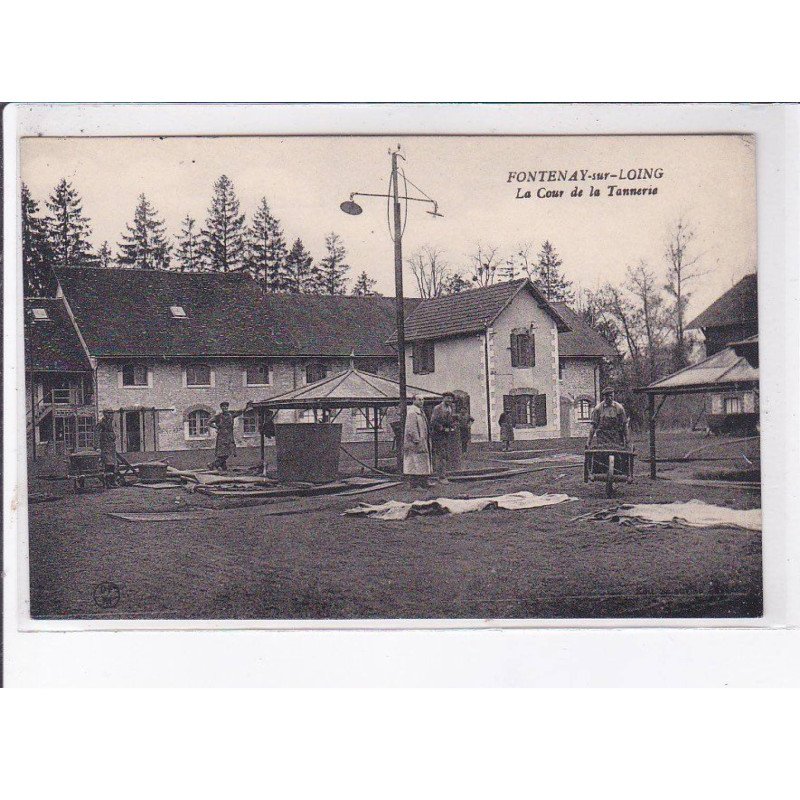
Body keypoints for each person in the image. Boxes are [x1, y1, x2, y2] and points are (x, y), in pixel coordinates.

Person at [208, 400, 252, 472]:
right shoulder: (218, 416)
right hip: (222, 436)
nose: (225, 408)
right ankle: (214, 465)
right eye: (223, 407)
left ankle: (221, 466)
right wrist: (217, 427)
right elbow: (209, 422)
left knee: (229, 451)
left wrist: (247, 407)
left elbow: (240, 412)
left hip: (229, 435)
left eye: (226, 406)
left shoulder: (231, 414)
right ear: (221, 408)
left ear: (227, 407)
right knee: (223, 452)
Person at [429, 391, 462, 482]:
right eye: (447, 398)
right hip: (438, 435)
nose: (449, 400)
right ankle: (441, 476)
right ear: (443, 398)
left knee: (445, 455)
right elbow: (433, 422)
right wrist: (442, 429)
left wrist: (453, 425)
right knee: (441, 455)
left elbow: (450, 420)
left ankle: (442, 474)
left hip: (446, 434)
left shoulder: (450, 408)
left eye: (451, 398)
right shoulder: (438, 408)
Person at [403, 395, 432, 488]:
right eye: (419, 400)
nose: (421, 401)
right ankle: (415, 485)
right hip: (415, 442)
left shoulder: (420, 412)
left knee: (422, 462)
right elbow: (411, 428)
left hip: (423, 440)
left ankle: (424, 482)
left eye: (423, 400)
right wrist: (417, 439)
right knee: (414, 462)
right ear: (413, 400)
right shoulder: (412, 412)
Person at [95, 409, 117, 484]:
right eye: (109, 413)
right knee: (108, 463)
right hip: (104, 446)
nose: (111, 415)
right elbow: (96, 435)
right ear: (104, 414)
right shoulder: (101, 423)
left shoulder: (110, 423)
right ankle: (108, 482)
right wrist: (97, 447)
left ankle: (112, 481)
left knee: (113, 464)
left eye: (112, 413)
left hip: (111, 446)